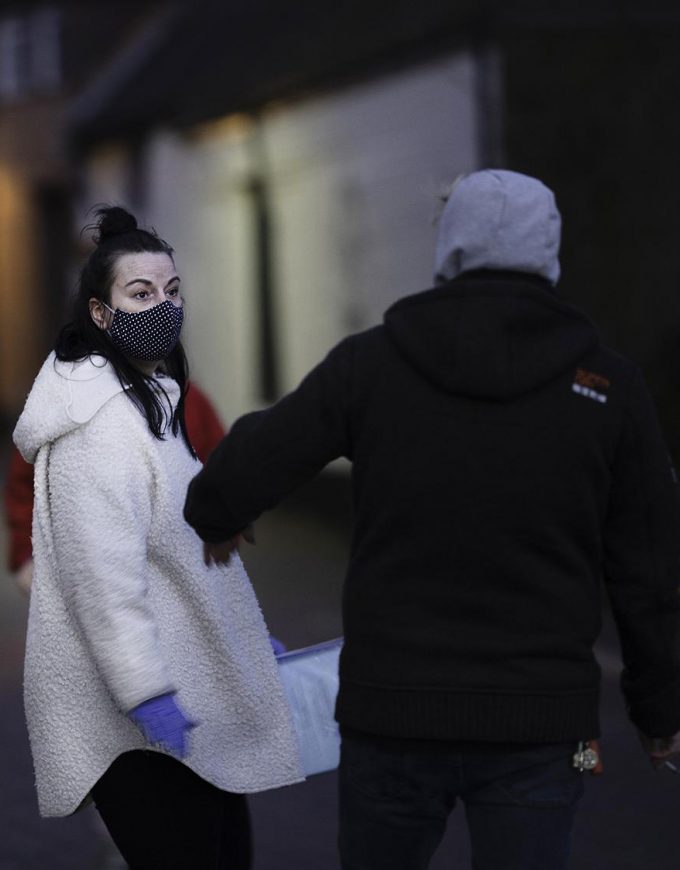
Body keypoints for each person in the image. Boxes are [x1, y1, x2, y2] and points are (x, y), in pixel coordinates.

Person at [183, 169, 680, 870]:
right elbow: (649, 569)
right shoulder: (608, 387)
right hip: (538, 724)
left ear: (450, 247)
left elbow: (258, 454)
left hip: (392, 715)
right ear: (550, 251)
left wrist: (217, 514)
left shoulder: (373, 364)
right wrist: (660, 712)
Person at [13, 206, 303, 869]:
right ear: (100, 313)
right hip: (136, 718)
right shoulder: (98, 423)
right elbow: (103, 580)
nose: (164, 307)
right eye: (141, 294)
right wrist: (147, 695)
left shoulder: (152, 399)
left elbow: (178, 546)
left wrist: (245, 639)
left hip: (188, 687)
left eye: (172, 291)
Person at [4, 381, 226, 597]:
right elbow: (25, 481)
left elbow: (222, 475)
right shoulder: (66, 400)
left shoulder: (188, 401)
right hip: (88, 575)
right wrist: (26, 551)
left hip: (180, 575)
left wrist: (225, 525)